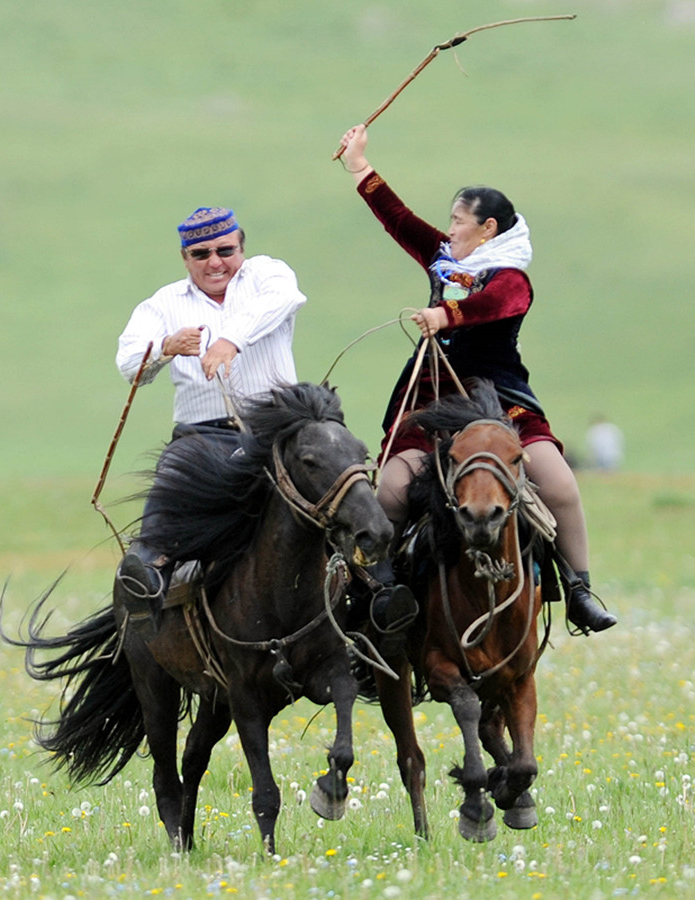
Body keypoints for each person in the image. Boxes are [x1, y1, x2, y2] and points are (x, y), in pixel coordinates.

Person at [337, 124, 616, 635]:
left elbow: (497, 304)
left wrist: (445, 316)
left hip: (497, 401)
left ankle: (578, 590)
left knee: (560, 486)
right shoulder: (447, 258)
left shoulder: (510, 275)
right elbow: (400, 221)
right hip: (431, 398)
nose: (451, 229)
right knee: (393, 492)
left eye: (458, 221)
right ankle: (374, 593)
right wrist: (359, 166)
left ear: (487, 228)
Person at [114, 206, 307, 635]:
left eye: (225, 250)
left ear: (241, 246)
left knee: (337, 476)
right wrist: (165, 346)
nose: (215, 262)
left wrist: (228, 341)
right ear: (185, 258)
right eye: (200, 254)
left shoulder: (265, 275)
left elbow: (285, 299)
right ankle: (146, 586)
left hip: (277, 426)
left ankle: (374, 585)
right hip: (203, 435)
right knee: (167, 495)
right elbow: (129, 362)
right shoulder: (164, 303)